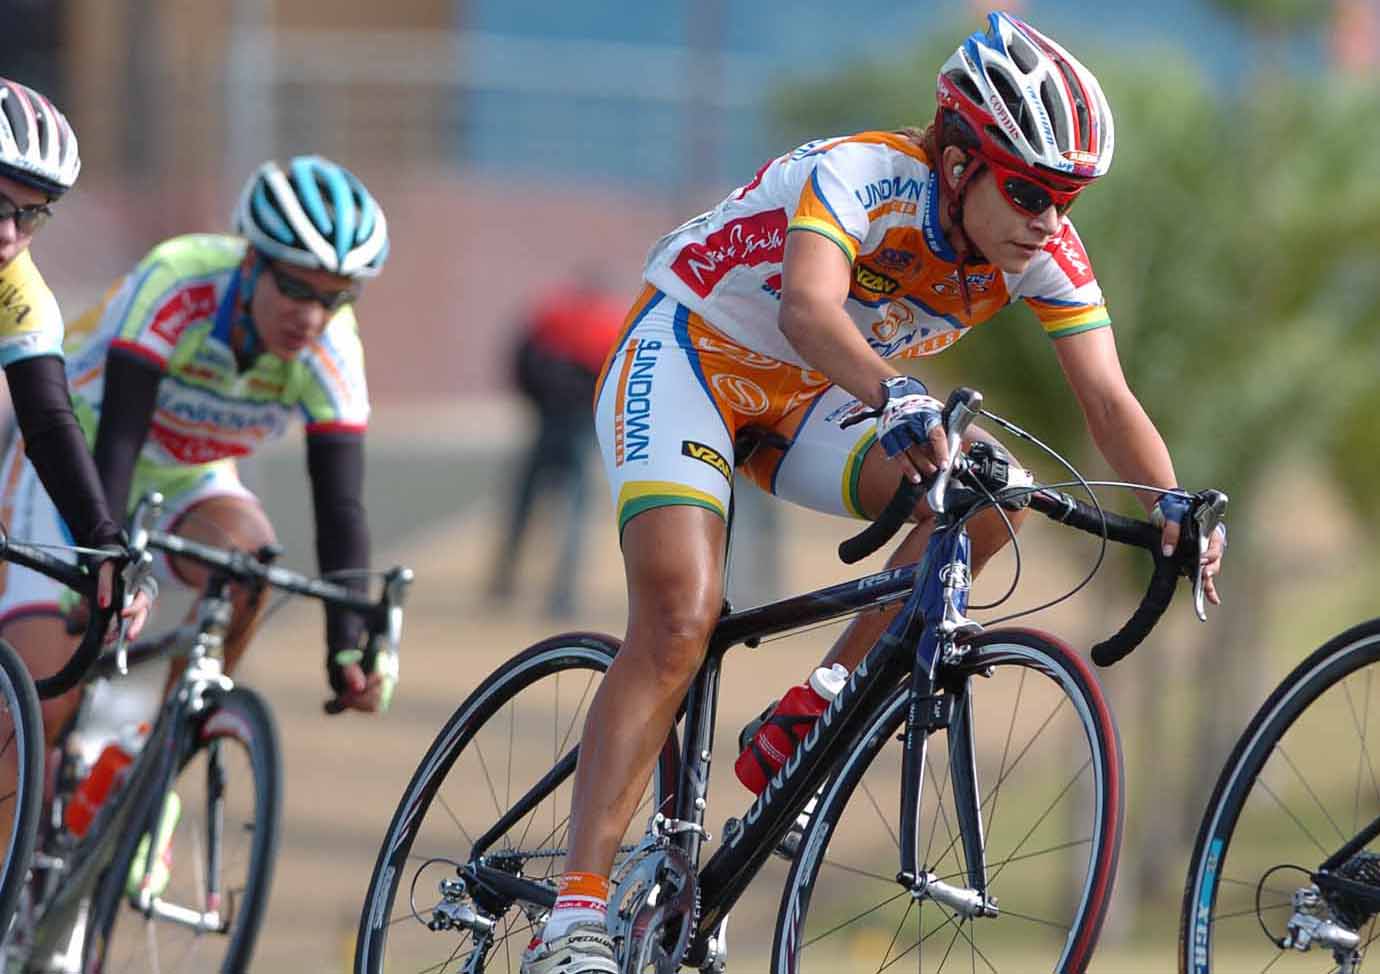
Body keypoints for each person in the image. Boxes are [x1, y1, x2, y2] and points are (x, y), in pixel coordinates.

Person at [519, 12, 1228, 973]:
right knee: (682, 619)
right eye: (1029, 190)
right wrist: (896, 391)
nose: (1049, 219)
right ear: (958, 164)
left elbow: (1107, 396)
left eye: (1069, 198)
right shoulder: (864, 174)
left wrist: (1171, 505)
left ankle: (822, 697)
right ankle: (575, 916)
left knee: (988, 493)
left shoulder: (1042, 250)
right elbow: (805, 307)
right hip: (687, 353)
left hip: (811, 397)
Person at [0, 153, 393, 771]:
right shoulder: (179, 279)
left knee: (251, 564)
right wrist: (95, 567)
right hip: (75, 466)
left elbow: (341, 503)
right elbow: (121, 439)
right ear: (251, 260)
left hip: (187, 477)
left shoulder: (333, 347)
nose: (310, 315)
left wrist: (346, 643)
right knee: (35, 715)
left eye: (336, 296)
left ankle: (151, 772)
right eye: (294, 285)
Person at [0, 76, 153, 846]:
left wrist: (102, 539)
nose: (11, 233)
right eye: (1, 204)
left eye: (32, 214)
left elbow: (52, 423)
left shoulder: (20, 290)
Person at [488, 274, 625, 617]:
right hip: (579, 425)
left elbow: (521, 360)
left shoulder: (551, 316)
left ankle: (505, 583)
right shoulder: (612, 322)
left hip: (549, 421)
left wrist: (537, 401)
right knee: (574, 515)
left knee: (524, 505)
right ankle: (561, 594)